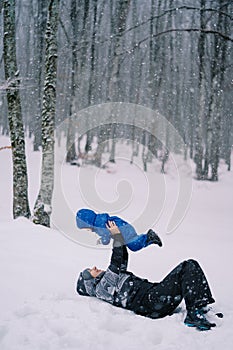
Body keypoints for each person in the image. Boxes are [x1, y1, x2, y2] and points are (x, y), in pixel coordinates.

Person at [76, 221, 220, 331]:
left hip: (155, 299)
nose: (94, 267)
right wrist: (116, 235)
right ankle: (194, 313)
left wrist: (119, 236)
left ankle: (199, 307)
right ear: (89, 281)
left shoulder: (109, 282)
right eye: (90, 271)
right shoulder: (102, 288)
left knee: (189, 267)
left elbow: (122, 259)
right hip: (152, 302)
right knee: (188, 266)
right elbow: (116, 260)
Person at [76, 208, 162, 251]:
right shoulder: (99, 221)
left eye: (86, 229)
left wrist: (103, 241)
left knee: (134, 246)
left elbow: (106, 236)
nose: (87, 230)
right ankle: (147, 237)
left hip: (124, 231)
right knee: (133, 242)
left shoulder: (99, 225)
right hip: (124, 228)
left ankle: (149, 237)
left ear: (88, 223)